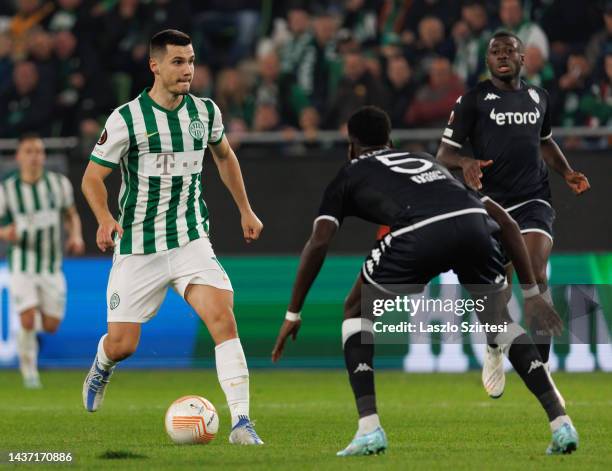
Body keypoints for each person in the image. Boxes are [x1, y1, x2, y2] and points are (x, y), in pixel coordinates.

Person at [272, 106, 578, 456]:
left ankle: (369, 428)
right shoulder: (425, 161)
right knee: (499, 321)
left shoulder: (350, 172)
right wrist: (532, 294)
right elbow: (507, 224)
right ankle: (561, 422)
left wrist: (293, 312)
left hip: (419, 232)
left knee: (356, 308)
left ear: (351, 146)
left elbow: (320, 241)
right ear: (390, 141)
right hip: (474, 224)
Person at [80, 29, 264, 445]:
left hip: (190, 240)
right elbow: (93, 177)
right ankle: (102, 364)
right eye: (178, 62)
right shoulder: (126, 119)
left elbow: (224, 156)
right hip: (138, 246)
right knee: (123, 344)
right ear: (155, 66)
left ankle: (241, 422)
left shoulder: (205, 112)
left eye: (192, 61)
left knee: (223, 318)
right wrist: (105, 216)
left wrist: (245, 209)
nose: (188, 70)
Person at [436, 31, 590, 402]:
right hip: (490, 205)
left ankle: (544, 376)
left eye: (510, 51)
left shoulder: (539, 97)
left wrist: (566, 171)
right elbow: (444, 155)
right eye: (495, 51)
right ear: (487, 60)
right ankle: (493, 349)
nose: (503, 55)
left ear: (523, 59)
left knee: (535, 276)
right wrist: (467, 161)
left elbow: (545, 140)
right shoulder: (472, 101)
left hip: (534, 200)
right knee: (496, 291)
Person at [0, 133, 85, 388]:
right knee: (26, 318)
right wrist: (6, 233)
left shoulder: (58, 184)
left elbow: (71, 214)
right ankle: (29, 372)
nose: (34, 156)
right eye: (28, 151)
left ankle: (27, 326)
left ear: (44, 156)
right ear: (18, 157)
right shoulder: (7, 189)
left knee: (50, 325)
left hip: (51, 265)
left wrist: (76, 235)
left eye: (38, 151)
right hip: (22, 262)